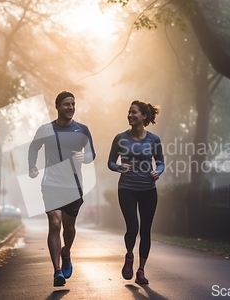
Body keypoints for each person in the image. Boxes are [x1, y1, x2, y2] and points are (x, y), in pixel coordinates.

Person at [28, 91, 96, 287]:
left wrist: (86, 157)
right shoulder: (45, 129)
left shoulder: (82, 130)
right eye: (67, 104)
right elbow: (33, 147)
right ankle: (57, 270)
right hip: (51, 184)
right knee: (55, 224)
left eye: (73, 104)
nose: (71, 108)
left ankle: (66, 253)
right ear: (57, 106)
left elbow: (92, 153)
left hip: (73, 186)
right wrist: (32, 166)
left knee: (69, 228)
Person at [107, 100, 164, 285]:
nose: (130, 115)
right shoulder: (120, 138)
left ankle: (141, 270)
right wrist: (119, 167)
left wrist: (158, 171)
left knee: (146, 230)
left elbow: (161, 161)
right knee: (133, 228)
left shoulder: (154, 139)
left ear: (144, 116)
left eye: (134, 112)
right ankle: (130, 255)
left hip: (148, 189)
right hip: (127, 189)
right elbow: (110, 162)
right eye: (129, 112)